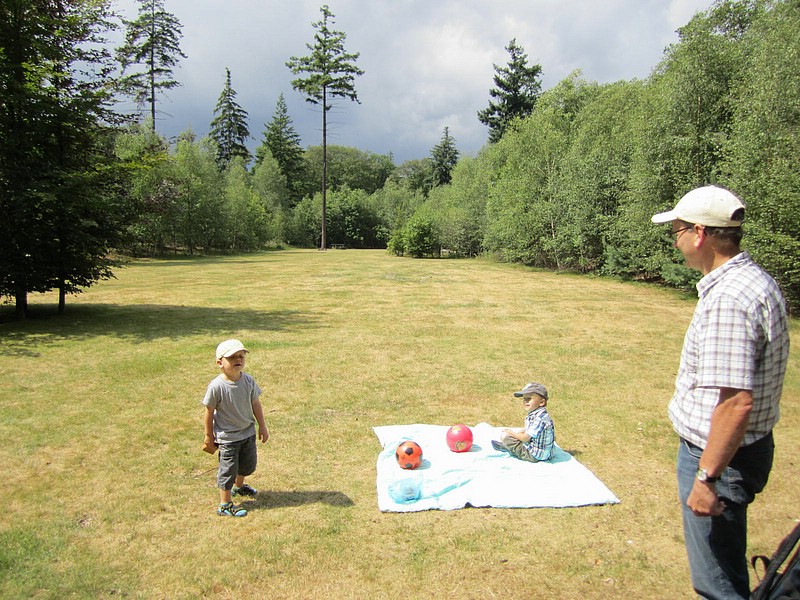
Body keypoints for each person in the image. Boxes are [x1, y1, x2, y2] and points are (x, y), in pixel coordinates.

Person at [651, 185, 790, 599]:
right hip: (742, 450)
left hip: (720, 458)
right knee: (724, 564)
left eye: (675, 230)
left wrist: (707, 478)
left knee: (717, 584)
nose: (674, 240)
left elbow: (735, 402)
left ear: (699, 233)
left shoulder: (728, 298)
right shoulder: (753, 281)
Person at [203, 339, 270, 517]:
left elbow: (255, 403)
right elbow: (209, 411)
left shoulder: (248, 381)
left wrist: (262, 426)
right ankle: (225, 504)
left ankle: (239, 487)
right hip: (227, 438)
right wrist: (209, 436)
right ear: (220, 363)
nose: (237, 360)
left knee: (248, 466)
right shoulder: (216, 386)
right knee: (228, 470)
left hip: (247, 433)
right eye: (232, 357)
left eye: (240, 356)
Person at [492, 381, 555, 462]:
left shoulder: (540, 418)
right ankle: (510, 445)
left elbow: (525, 438)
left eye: (529, 398)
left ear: (542, 402)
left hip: (535, 455)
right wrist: (516, 435)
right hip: (544, 452)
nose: (525, 401)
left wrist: (512, 434)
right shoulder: (537, 414)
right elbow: (526, 429)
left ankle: (509, 448)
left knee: (506, 437)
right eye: (524, 399)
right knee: (509, 436)